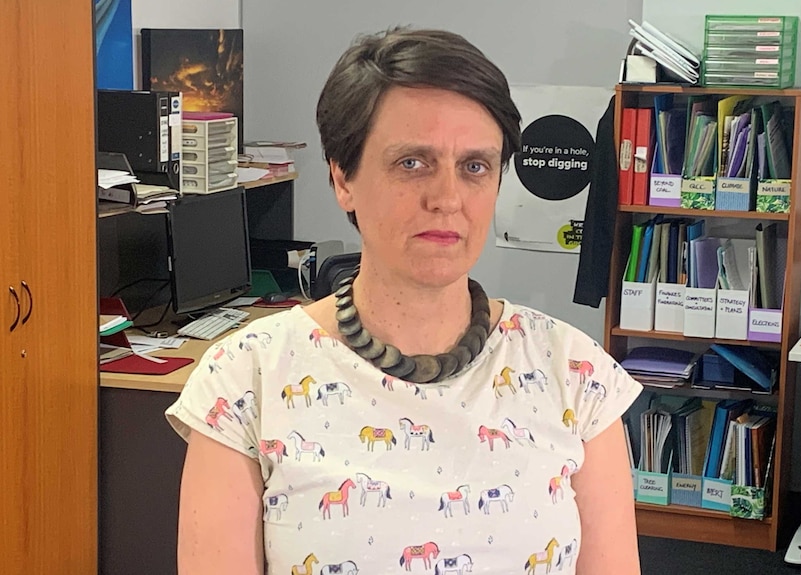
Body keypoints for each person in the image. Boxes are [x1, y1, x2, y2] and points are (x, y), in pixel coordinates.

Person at [166, 27, 643, 575]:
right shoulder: (245, 379)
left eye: (475, 166)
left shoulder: (576, 374)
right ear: (343, 179)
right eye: (412, 162)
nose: (446, 198)